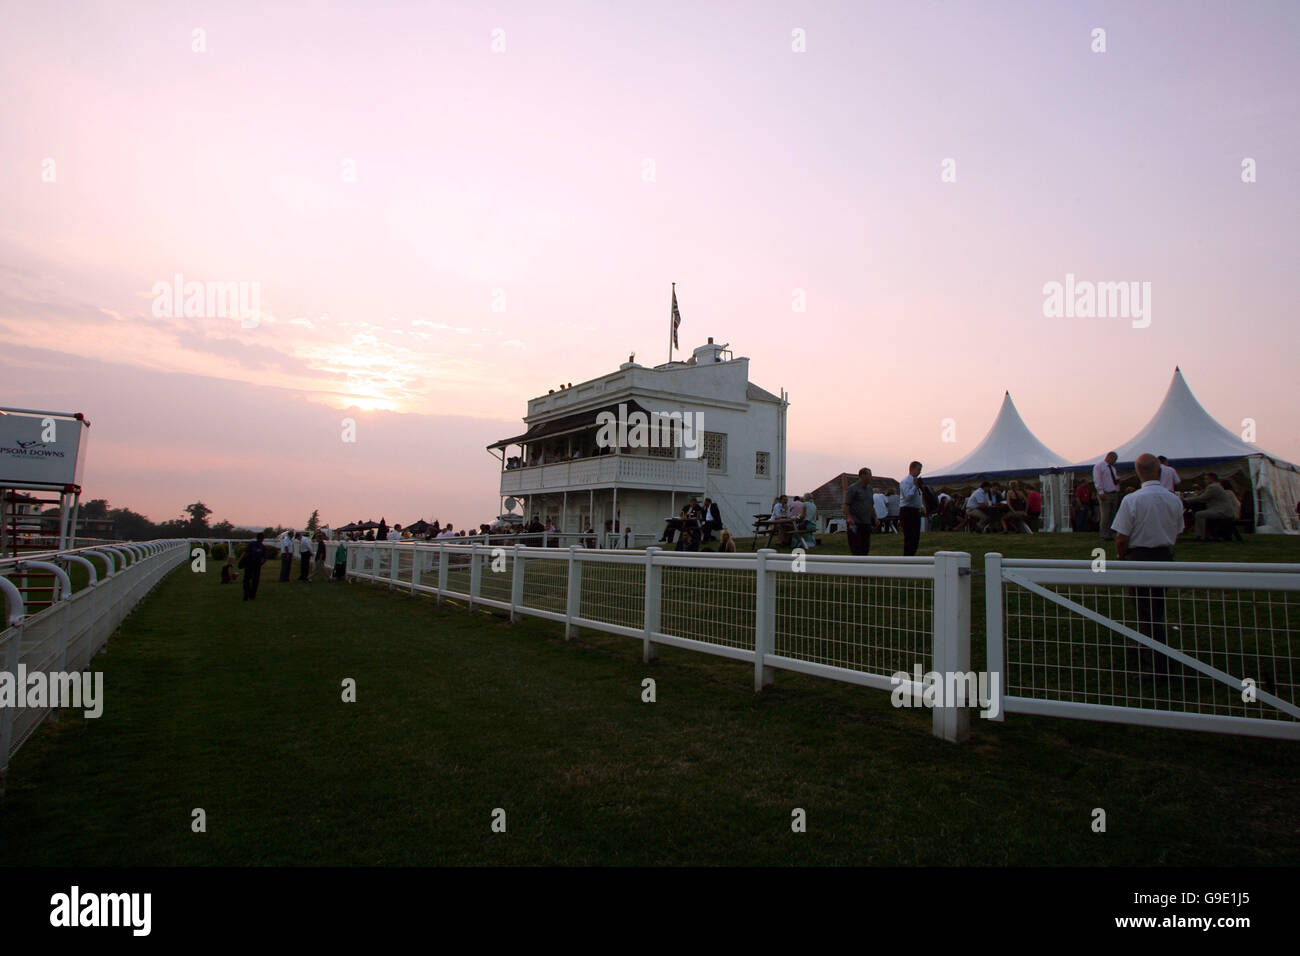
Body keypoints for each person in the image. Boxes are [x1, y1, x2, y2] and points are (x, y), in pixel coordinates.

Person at [1111, 453, 1184, 678]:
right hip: (1164, 556)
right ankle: (1147, 647)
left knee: (1145, 611)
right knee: (1155, 607)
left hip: (1139, 557)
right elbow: (1178, 530)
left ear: (1138, 472)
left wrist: (1121, 557)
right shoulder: (1174, 499)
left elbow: (1122, 537)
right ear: (1160, 471)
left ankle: (1157, 663)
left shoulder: (1132, 499)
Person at [1185, 473, 1237, 540]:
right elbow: (1204, 494)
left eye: (1206, 479)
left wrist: (1187, 500)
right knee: (1201, 513)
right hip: (1224, 510)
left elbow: (1203, 497)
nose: (1204, 480)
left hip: (1222, 511)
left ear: (1212, 479)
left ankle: (1201, 536)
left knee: (1199, 514)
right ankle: (1207, 534)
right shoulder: (1217, 486)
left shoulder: (1213, 487)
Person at [842, 468, 876, 556]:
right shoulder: (853, 489)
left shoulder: (870, 489)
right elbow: (846, 505)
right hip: (855, 522)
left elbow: (871, 505)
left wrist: (875, 518)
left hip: (866, 522)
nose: (871, 477)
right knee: (856, 547)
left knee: (865, 547)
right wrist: (849, 517)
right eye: (869, 475)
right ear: (862, 476)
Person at [1093, 451, 1121, 541]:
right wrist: (1100, 492)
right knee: (1105, 515)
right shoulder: (1099, 466)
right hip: (1105, 493)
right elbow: (1097, 480)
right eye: (1114, 459)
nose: (1115, 461)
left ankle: (1109, 533)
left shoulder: (1112, 468)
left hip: (1114, 493)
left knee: (1112, 515)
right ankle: (1103, 534)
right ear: (1110, 457)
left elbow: (1114, 479)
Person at [898, 461, 924, 555]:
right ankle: (907, 556)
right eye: (918, 469)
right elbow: (907, 496)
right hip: (907, 510)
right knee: (909, 536)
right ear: (912, 469)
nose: (919, 472)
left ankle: (912, 555)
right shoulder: (906, 482)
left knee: (916, 536)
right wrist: (915, 486)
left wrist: (921, 506)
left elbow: (918, 496)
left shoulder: (915, 481)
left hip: (915, 510)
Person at [238, 533, 268, 601]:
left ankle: (246, 593)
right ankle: (252, 594)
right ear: (263, 539)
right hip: (257, 565)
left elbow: (244, 552)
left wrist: (240, 561)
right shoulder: (263, 547)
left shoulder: (251, 544)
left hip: (249, 564)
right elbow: (265, 558)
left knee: (246, 579)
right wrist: (261, 564)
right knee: (255, 580)